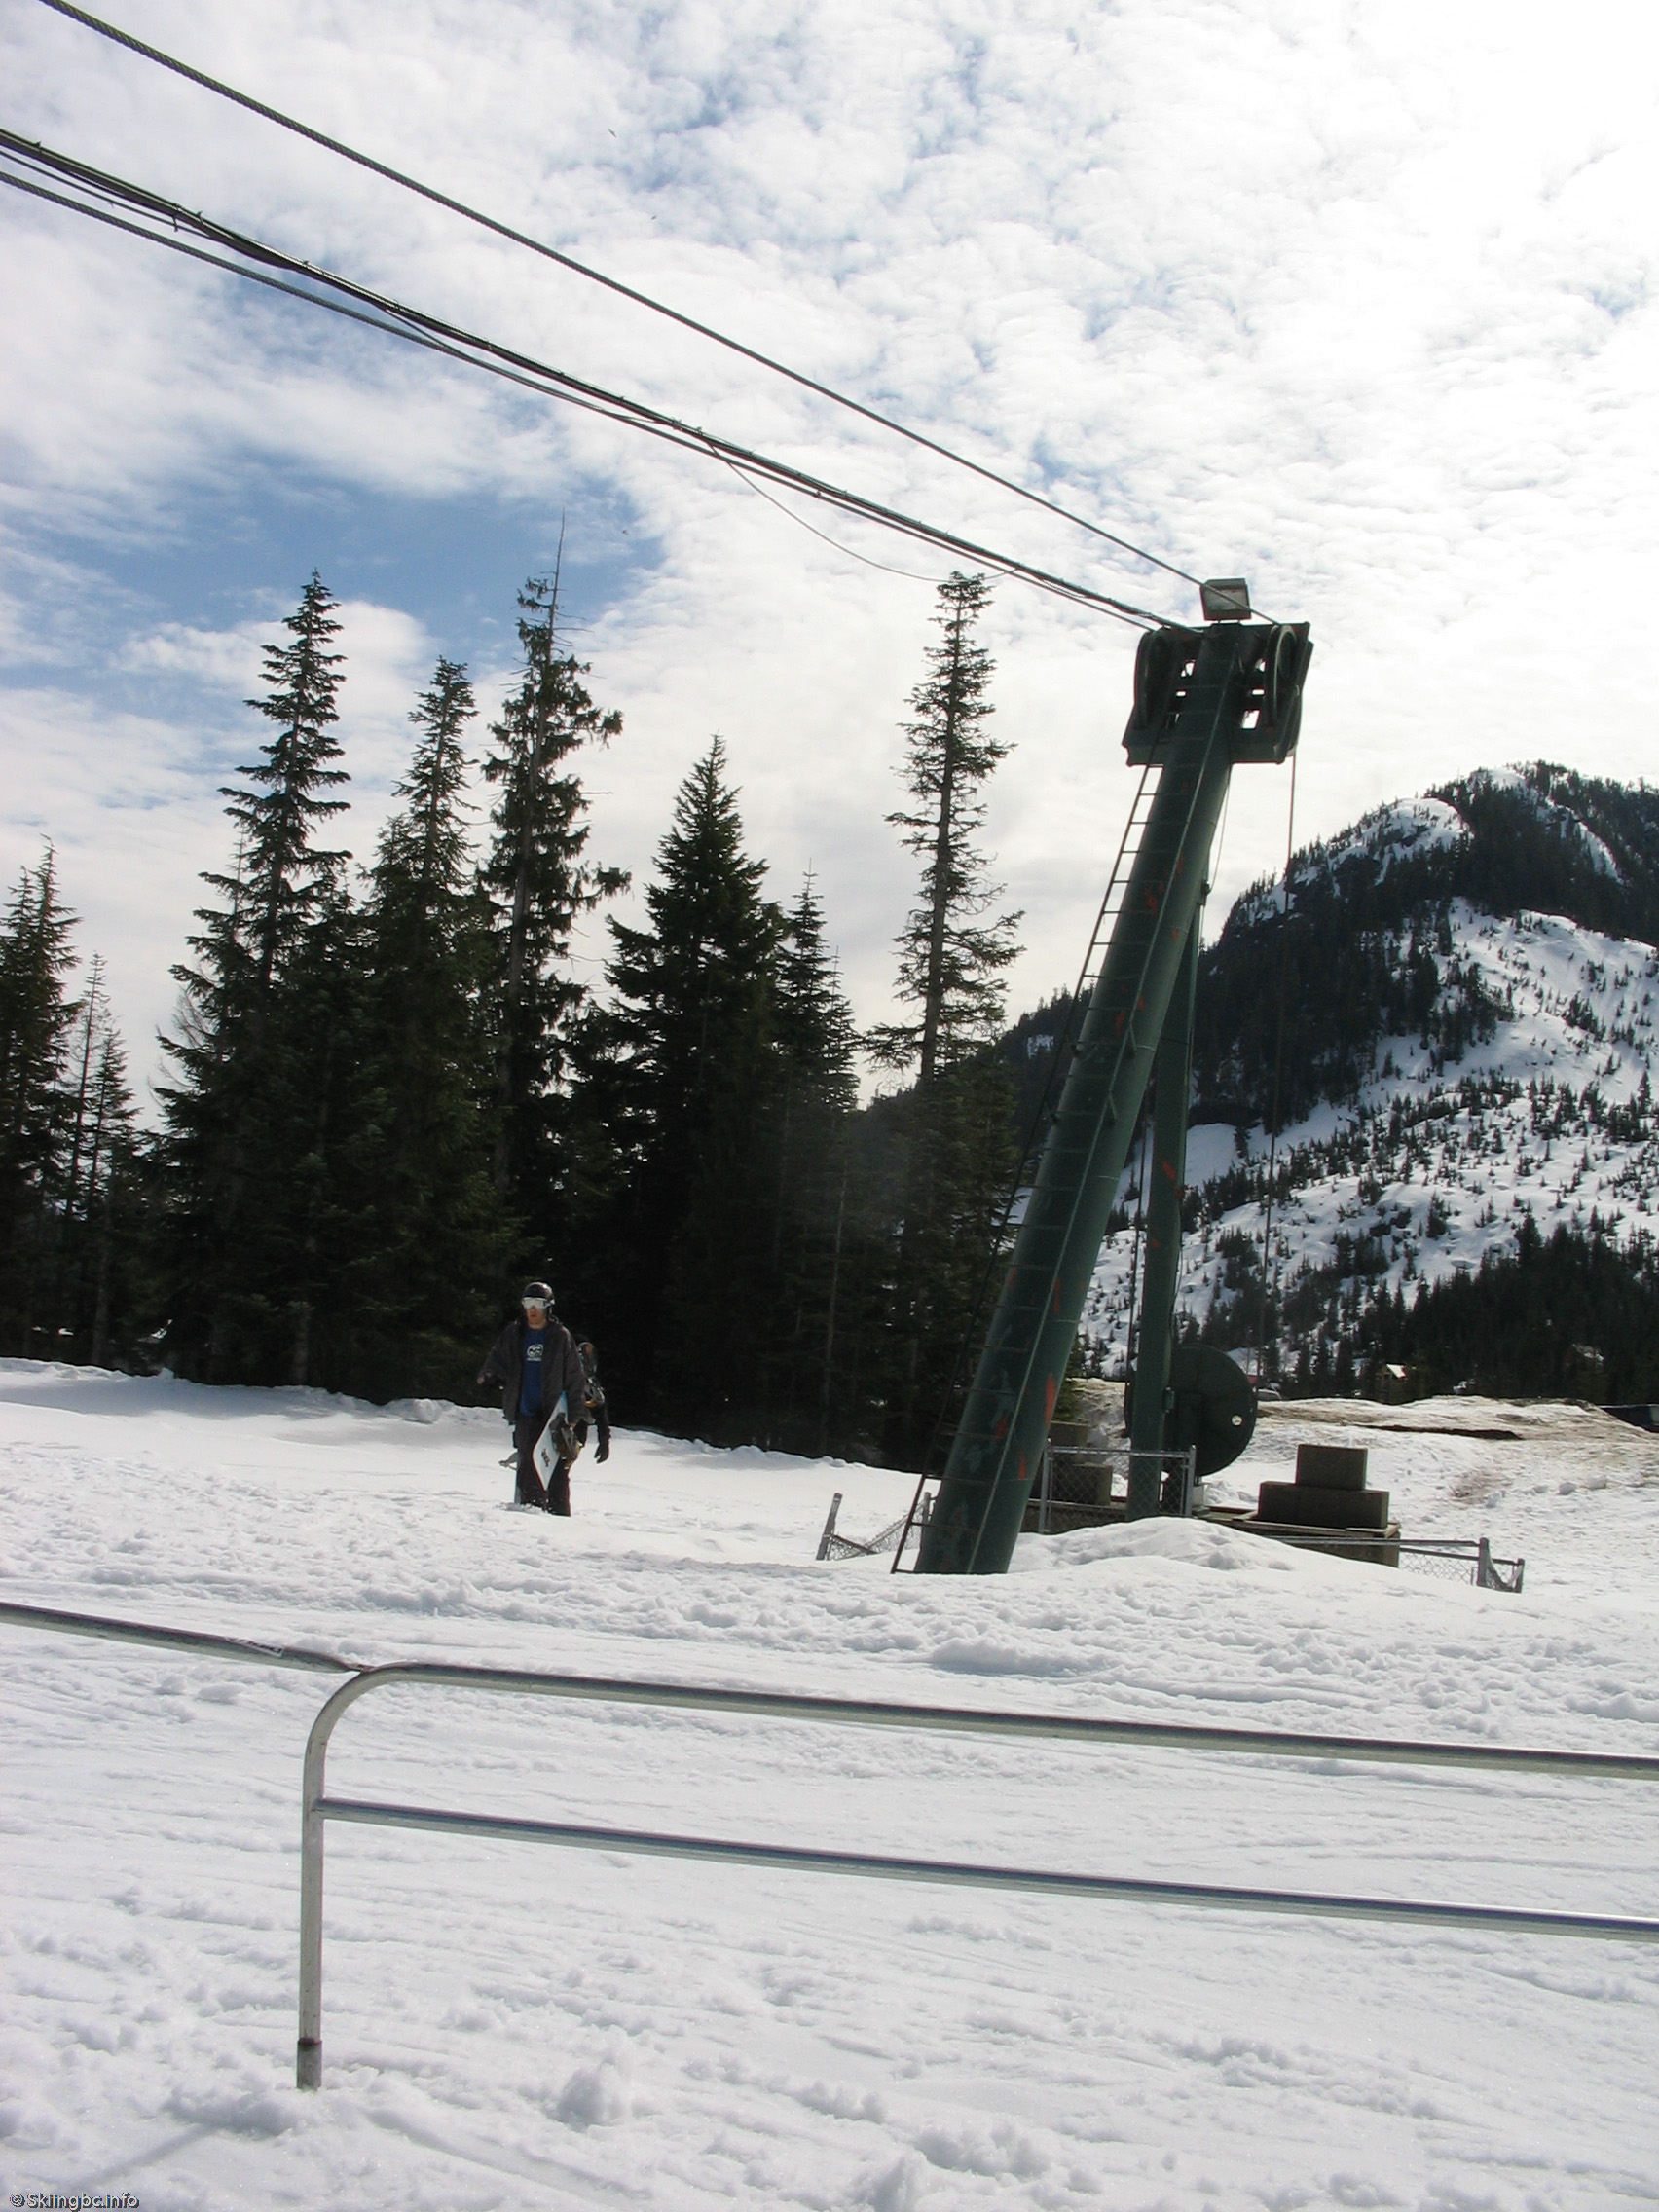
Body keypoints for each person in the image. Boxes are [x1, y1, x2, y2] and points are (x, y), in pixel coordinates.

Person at [477, 1279, 586, 1514]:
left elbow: (575, 1377)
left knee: (555, 1471)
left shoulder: (560, 1336)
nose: (533, 1309)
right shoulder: (514, 1333)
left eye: (538, 1304)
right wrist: (488, 1375)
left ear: (548, 1307)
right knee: (527, 1465)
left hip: (553, 1416)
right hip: (525, 1412)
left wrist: (574, 1417)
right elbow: (496, 1358)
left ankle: (558, 1517)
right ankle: (529, 1514)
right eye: (528, 1303)